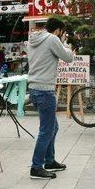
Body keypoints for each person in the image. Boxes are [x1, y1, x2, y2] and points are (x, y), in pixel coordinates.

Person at [27, 17, 74, 180]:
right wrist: (64, 43)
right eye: (62, 32)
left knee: (52, 127)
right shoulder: (53, 39)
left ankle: (49, 160)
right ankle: (36, 167)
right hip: (45, 90)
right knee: (46, 130)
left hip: (34, 88)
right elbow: (68, 57)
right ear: (59, 30)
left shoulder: (33, 39)